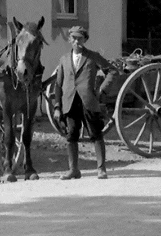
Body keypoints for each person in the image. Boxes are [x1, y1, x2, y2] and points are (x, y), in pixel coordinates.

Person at [48, 26, 115, 180]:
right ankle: (73, 170)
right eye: (74, 38)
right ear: (69, 40)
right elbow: (58, 85)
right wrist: (57, 106)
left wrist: (101, 90)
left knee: (95, 133)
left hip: (88, 101)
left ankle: (101, 169)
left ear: (85, 40)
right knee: (71, 134)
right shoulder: (64, 59)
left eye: (80, 38)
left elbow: (112, 71)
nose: (77, 41)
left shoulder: (93, 57)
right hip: (70, 101)